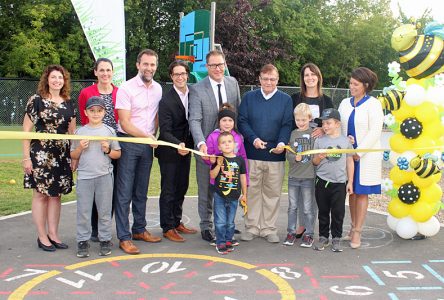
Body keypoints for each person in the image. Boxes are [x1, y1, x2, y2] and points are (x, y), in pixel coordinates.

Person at [189, 50, 241, 243]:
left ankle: (226, 224)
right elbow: (194, 120)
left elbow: (238, 116)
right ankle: (206, 225)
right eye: (213, 65)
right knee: (207, 189)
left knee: (228, 187)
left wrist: (238, 143)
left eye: (221, 64)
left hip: (228, 150)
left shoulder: (232, 83)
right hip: (207, 151)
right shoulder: (197, 89)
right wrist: (201, 143)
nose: (218, 69)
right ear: (207, 67)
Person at [22, 64, 76, 252]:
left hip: (61, 155)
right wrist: (26, 158)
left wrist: (73, 157)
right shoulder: (36, 100)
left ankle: (53, 234)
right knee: (40, 194)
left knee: (56, 195)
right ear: (47, 79)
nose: (57, 81)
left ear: (64, 80)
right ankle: (42, 236)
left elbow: (72, 133)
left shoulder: (68, 102)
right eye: (53, 77)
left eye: (60, 78)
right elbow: (26, 131)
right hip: (41, 154)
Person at [237, 63, 293, 243]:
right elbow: (242, 121)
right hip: (252, 154)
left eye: (273, 79)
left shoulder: (285, 100)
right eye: (265, 78)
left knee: (272, 193)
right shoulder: (249, 97)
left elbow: (287, 124)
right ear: (259, 79)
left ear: (277, 80)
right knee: (252, 192)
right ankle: (252, 227)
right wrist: (253, 138)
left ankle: (268, 228)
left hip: (275, 155)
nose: (269, 82)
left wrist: (282, 143)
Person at [114, 49, 162, 255]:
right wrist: (147, 137)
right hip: (128, 141)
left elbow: (155, 117)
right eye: (145, 64)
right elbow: (124, 122)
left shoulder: (159, 88)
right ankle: (124, 237)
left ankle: (139, 230)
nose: (149, 68)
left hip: (146, 144)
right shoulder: (126, 88)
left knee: (141, 190)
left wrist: (153, 135)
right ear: (137, 65)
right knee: (124, 191)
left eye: (152, 65)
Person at [338, 67, 383, 249]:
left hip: (365, 158)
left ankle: (358, 231)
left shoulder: (373, 104)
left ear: (365, 85)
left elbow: (375, 131)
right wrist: (345, 146)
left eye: (355, 84)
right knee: (352, 192)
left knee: (362, 192)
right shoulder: (344, 103)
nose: (351, 87)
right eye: (350, 83)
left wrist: (360, 152)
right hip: (348, 157)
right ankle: (352, 226)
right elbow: (339, 127)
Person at [71, 96, 121, 258]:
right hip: (85, 177)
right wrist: (79, 148)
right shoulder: (80, 132)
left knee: (105, 210)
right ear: (86, 112)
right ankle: (82, 240)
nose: (95, 114)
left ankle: (105, 239)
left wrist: (107, 149)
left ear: (104, 112)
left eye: (99, 111)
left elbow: (117, 154)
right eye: (92, 111)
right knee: (84, 211)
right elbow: (73, 155)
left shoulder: (109, 131)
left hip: (104, 176)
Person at [155, 60, 196, 243]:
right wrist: (178, 144)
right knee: (169, 189)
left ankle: (177, 221)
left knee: (182, 186)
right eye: (176, 74)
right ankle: (168, 227)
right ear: (171, 77)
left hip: (186, 150)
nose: (180, 77)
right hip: (170, 151)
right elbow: (164, 130)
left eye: (183, 73)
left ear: (187, 75)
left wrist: (187, 146)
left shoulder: (193, 94)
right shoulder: (166, 101)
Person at [78, 58, 119, 242]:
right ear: (95, 72)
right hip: (91, 148)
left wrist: (110, 146)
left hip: (112, 145)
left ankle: (104, 231)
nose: (105, 74)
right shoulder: (86, 93)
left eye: (108, 70)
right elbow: (82, 118)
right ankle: (92, 230)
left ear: (112, 72)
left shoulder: (119, 92)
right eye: (101, 70)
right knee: (90, 191)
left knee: (107, 189)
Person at [291, 63, 333, 237]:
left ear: (318, 77)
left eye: (313, 74)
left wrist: (323, 128)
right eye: (306, 75)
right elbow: (292, 124)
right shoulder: (295, 98)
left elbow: (333, 124)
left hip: (319, 152)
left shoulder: (327, 100)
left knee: (314, 191)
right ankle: (301, 225)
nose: (310, 78)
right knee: (301, 190)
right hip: (301, 151)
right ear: (303, 78)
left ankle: (310, 225)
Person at [312, 108, 354, 252]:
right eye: (323, 123)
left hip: (339, 183)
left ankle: (336, 238)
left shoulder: (345, 141)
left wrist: (351, 182)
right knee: (323, 211)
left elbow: (350, 162)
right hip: (322, 181)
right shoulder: (319, 141)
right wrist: (320, 157)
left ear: (337, 124)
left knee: (338, 212)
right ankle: (323, 237)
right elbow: (314, 162)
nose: (325, 126)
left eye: (328, 123)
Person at [284, 103, 316, 248]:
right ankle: (291, 232)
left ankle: (309, 234)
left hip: (308, 177)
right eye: (298, 120)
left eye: (304, 120)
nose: (301, 123)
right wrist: (293, 158)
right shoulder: (293, 134)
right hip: (293, 177)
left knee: (308, 208)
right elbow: (288, 154)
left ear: (310, 118)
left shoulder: (315, 134)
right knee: (292, 207)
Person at [209, 132, 247, 254]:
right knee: (220, 221)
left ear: (235, 144)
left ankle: (228, 239)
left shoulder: (240, 160)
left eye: (229, 142)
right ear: (219, 146)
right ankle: (220, 242)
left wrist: (244, 193)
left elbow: (243, 177)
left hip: (234, 196)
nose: (227, 144)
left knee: (230, 222)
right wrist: (218, 165)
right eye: (223, 143)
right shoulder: (218, 158)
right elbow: (212, 175)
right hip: (220, 195)